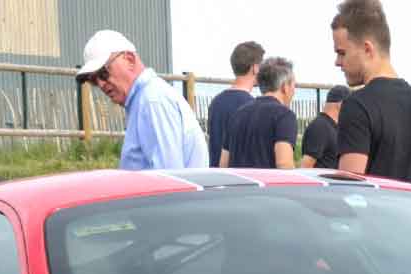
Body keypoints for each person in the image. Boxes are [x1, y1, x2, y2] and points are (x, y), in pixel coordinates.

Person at [330, 0, 411, 187]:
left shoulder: (357, 106)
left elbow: (349, 190)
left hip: (374, 216)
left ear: (367, 49)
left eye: (342, 53)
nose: (337, 61)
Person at [78, 29, 206, 171]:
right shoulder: (147, 99)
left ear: (130, 60)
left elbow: (169, 180)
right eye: (93, 80)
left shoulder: (151, 101)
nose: (101, 84)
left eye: (103, 73)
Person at [220, 57, 298, 170]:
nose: (293, 91)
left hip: (239, 186)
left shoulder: (237, 114)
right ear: (285, 87)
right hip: (267, 187)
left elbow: (223, 164)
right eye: (293, 86)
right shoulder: (284, 116)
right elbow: (284, 164)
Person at [206, 41, 264, 167]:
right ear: (255, 68)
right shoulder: (252, 106)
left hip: (215, 176)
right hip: (240, 178)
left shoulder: (216, 102)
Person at [299, 84, 348, 169]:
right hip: (324, 182)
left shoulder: (332, 126)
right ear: (341, 104)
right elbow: (306, 166)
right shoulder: (320, 127)